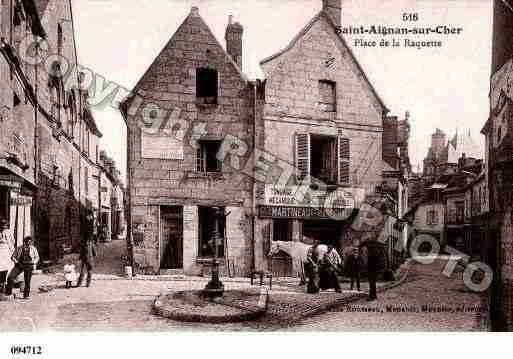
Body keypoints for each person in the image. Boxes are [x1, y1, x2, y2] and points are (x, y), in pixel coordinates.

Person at [76, 210, 97, 288]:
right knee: (88, 270)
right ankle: (87, 283)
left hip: (85, 254)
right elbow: (92, 247)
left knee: (83, 270)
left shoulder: (87, 241)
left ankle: (80, 283)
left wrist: (80, 257)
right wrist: (94, 254)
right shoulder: (89, 240)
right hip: (88, 255)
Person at [361, 236, 380, 301]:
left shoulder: (372, 253)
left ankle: (372, 296)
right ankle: (373, 295)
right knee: (373, 283)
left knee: (372, 283)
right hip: (374, 269)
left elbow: (370, 262)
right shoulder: (375, 251)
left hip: (372, 269)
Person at [0, 219, 14, 293]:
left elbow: (11, 241)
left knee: (8, 266)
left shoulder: (8, 232)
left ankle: (7, 282)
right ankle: (2, 283)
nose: (3, 226)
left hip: (7, 250)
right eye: (2, 224)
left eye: (4, 224)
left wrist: (12, 251)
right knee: (1, 266)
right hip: (1, 250)